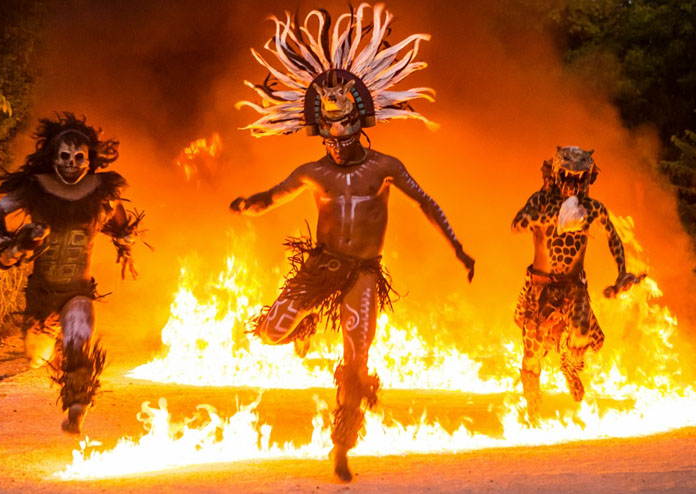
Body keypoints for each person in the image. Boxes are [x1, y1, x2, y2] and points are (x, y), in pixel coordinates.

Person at [231, 4, 474, 482]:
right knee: (270, 332)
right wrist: (247, 204)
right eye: (327, 127)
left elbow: (427, 202)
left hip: (363, 272)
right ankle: (303, 329)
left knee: (357, 358)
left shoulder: (386, 167)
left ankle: (342, 445)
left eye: (343, 125)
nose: (335, 136)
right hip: (321, 268)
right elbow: (272, 198)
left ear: (361, 119)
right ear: (318, 128)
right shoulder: (312, 172)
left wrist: (458, 247)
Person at [0, 113, 142, 434]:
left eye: (79, 157)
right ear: (53, 158)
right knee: (36, 358)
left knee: (78, 341)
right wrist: (0, 236)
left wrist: (124, 237)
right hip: (41, 296)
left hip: (77, 291)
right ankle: (18, 250)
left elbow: (116, 214)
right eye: (65, 157)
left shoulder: (101, 190)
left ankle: (77, 407)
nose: (72, 163)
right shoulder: (37, 188)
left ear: (89, 160)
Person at [511, 146, 641, 422]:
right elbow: (517, 223)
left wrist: (622, 273)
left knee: (582, 332)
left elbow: (613, 237)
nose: (573, 184)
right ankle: (532, 411)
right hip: (540, 287)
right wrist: (552, 219)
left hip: (573, 286)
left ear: (588, 179)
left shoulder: (592, 209)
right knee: (532, 358)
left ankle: (570, 365)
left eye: (580, 178)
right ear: (556, 175)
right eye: (567, 177)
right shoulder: (541, 201)